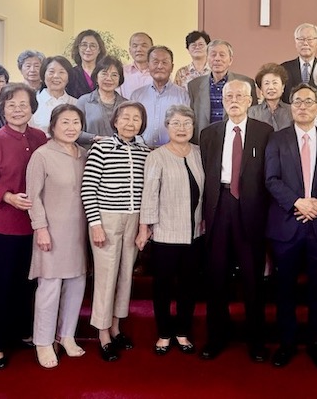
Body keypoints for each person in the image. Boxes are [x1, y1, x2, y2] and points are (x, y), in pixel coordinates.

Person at [264, 84, 317, 369]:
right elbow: (271, 179)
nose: (303, 106)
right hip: (287, 225)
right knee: (285, 289)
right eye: (297, 101)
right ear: (291, 106)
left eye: (309, 102)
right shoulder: (276, 139)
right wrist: (298, 202)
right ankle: (287, 343)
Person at [198, 80, 273, 362]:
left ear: (250, 100)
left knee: (253, 278)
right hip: (219, 207)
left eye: (240, 95)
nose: (234, 100)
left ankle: (256, 340)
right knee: (216, 276)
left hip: (251, 210)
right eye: (229, 95)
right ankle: (216, 336)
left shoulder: (265, 132)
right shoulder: (209, 133)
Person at [0, 83, 48, 369]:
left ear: (32, 108)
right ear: (3, 109)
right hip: (2, 224)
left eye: (23, 104)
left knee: (26, 283)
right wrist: (8, 197)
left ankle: (21, 332)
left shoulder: (40, 137)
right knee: (0, 284)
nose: (18, 110)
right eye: (11, 105)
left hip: (33, 224)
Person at [80, 101, 151, 362]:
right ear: (116, 121)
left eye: (136, 118)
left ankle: (116, 327)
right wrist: (95, 224)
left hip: (133, 218)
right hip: (107, 218)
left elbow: (147, 191)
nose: (130, 123)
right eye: (125, 117)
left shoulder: (144, 152)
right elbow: (88, 188)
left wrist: (144, 226)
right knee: (106, 276)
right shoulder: (101, 148)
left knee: (125, 276)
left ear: (142, 124)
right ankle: (102, 333)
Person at [137, 105, 204, 356]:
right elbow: (149, 195)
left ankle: (183, 331)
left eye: (187, 123)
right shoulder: (157, 156)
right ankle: (164, 333)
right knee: (163, 287)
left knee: (189, 286)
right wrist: (144, 228)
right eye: (176, 123)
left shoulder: (200, 153)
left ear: (193, 127)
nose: (181, 128)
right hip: (165, 233)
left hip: (195, 234)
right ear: (167, 127)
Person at [26, 104, 88, 369]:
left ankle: (66, 335)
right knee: (49, 287)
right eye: (65, 122)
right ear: (53, 126)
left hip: (79, 231)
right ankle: (43, 341)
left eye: (76, 122)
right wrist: (40, 228)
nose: (71, 127)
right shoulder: (42, 155)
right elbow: (33, 197)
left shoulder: (84, 154)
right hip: (51, 230)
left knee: (76, 283)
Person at [187, 40, 256, 142]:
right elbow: (192, 118)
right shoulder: (194, 85)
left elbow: (253, 114)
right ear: (207, 58)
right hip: (204, 141)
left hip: (236, 140)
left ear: (230, 60)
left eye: (222, 55)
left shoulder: (246, 82)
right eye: (213, 55)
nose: (217, 59)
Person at [129, 46, 190, 148]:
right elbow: (131, 125)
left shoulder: (183, 95)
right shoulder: (137, 95)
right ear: (148, 65)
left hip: (172, 152)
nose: (160, 66)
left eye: (165, 62)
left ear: (172, 67)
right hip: (140, 151)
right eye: (155, 62)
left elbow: (186, 127)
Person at [76, 55, 127, 146]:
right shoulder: (84, 101)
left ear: (120, 79)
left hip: (120, 152)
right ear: (96, 77)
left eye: (114, 75)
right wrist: (94, 137)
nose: (109, 78)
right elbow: (75, 131)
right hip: (91, 152)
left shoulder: (126, 104)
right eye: (104, 73)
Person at [30, 56, 78, 134]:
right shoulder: (32, 101)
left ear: (69, 77)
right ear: (43, 75)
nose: (56, 76)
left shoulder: (76, 103)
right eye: (51, 72)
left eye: (61, 72)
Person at [281, 23, 317, 102]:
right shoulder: (284, 69)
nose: (305, 43)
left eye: (309, 39)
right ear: (296, 43)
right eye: (301, 39)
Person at [248, 63, 293, 131]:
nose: (271, 87)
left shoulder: (291, 110)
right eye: (266, 83)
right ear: (261, 89)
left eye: (275, 83)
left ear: (283, 87)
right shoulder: (252, 112)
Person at [67, 29, 106, 99]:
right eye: (84, 45)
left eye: (93, 46)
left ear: (99, 50)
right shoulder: (71, 73)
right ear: (78, 48)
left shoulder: (105, 73)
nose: (88, 49)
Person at [118, 32, 154, 98]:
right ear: (130, 50)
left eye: (144, 46)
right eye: (135, 46)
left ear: (152, 50)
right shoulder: (121, 72)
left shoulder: (160, 73)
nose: (139, 49)